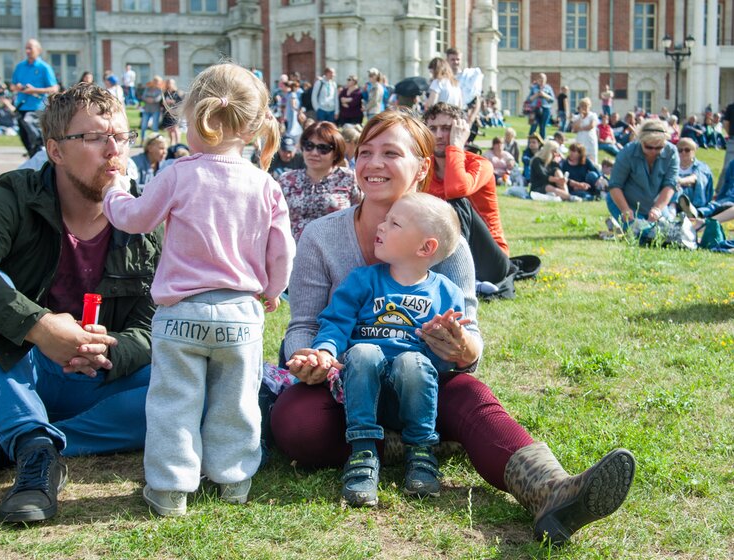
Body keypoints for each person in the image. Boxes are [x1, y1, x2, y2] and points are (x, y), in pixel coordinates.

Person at [269, 108, 635, 544]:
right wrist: (309, 356)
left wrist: (463, 348)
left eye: (391, 153)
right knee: (294, 422)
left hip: (419, 379)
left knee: (471, 396)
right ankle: (410, 443)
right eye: (365, 152)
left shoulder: (447, 244)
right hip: (346, 383)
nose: (373, 164)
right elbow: (306, 322)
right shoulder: (322, 236)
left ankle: (552, 490)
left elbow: (471, 339)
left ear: (422, 166)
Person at [0, 83, 160, 523]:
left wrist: (111, 349)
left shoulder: (145, 216)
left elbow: (156, 321)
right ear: (55, 150)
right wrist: (40, 326)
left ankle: (21, 442)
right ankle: (33, 455)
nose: (113, 150)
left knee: (194, 387)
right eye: (93, 138)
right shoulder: (15, 196)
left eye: (122, 137)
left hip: (89, 378)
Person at [102, 63, 296, 517]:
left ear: (189, 115)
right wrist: (273, 289)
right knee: (238, 399)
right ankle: (234, 479)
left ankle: (170, 488)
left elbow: (134, 219)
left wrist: (115, 189)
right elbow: (282, 247)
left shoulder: (176, 173)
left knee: (174, 401)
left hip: (181, 312)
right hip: (240, 313)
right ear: (252, 125)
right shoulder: (265, 184)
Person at [289, 192, 465, 506]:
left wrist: (443, 341)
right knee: (364, 352)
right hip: (361, 388)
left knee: (413, 361)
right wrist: (326, 351)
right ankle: (363, 452)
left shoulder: (445, 292)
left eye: (393, 223)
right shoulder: (363, 280)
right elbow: (336, 322)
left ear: (425, 247)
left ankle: (421, 452)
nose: (380, 227)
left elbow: (442, 362)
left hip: (410, 396)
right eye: (385, 220)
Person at [422, 103, 510, 261]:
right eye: (433, 129)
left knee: (456, 202)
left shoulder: (481, 164)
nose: (439, 135)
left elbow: (456, 189)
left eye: (446, 128)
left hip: (490, 258)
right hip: (440, 250)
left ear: (460, 130)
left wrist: (456, 146)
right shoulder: (423, 168)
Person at [278, 121, 361, 241]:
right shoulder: (286, 180)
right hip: (296, 255)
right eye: (309, 146)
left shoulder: (350, 178)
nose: (314, 153)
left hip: (336, 254)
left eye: (323, 148)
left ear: (336, 152)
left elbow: (360, 219)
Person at [607, 119, 678, 224]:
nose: (653, 151)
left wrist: (657, 209)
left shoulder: (671, 152)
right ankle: (618, 224)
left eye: (659, 147)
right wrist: (625, 209)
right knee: (641, 233)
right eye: (649, 147)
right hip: (624, 203)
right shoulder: (627, 152)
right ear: (640, 141)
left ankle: (615, 226)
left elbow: (670, 184)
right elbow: (615, 185)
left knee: (665, 232)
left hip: (654, 205)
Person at [11, 39, 60, 158]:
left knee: (34, 132)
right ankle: (32, 155)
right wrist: (18, 87)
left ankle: (40, 154)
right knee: (24, 134)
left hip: (37, 106)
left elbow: (54, 88)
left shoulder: (44, 67)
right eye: (26, 48)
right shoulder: (20, 66)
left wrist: (34, 90)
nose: (28, 51)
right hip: (22, 105)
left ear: (38, 50)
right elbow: (12, 85)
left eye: (30, 48)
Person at [674, 138, 714, 210]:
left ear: (694, 151)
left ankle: (688, 209)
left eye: (687, 150)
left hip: (695, 198)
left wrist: (680, 181)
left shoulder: (701, 166)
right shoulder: (673, 165)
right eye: (680, 150)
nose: (683, 152)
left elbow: (695, 178)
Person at [571, 97, 600, 163]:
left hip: (590, 140)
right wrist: (581, 117)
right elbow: (574, 128)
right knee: (580, 157)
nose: (584, 108)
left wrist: (581, 129)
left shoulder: (593, 115)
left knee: (592, 160)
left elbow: (591, 126)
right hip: (580, 139)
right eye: (582, 106)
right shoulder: (577, 117)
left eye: (586, 106)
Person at [140, 75, 164, 145]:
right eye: (155, 81)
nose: (156, 82)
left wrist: (150, 99)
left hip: (155, 110)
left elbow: (158, 99)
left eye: (157, 81)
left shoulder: (160, 90)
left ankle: (156, 141)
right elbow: (143, 97)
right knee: (143, 126)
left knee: (154, 127)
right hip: (147, 110)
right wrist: (150, 99)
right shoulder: (148, 88)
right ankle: (142, 141)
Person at [161, 79, 182, 145]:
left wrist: (172, 102)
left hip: (174, 113)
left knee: (175, 128)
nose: (169, 84)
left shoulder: (176, 92)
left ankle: (178, 142)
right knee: (169, 129)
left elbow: (180, 102)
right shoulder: (165, 93)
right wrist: (164, 102)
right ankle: (172, 142)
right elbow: (161, 102)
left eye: (170, 83)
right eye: (168, 83)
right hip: (167, 113)